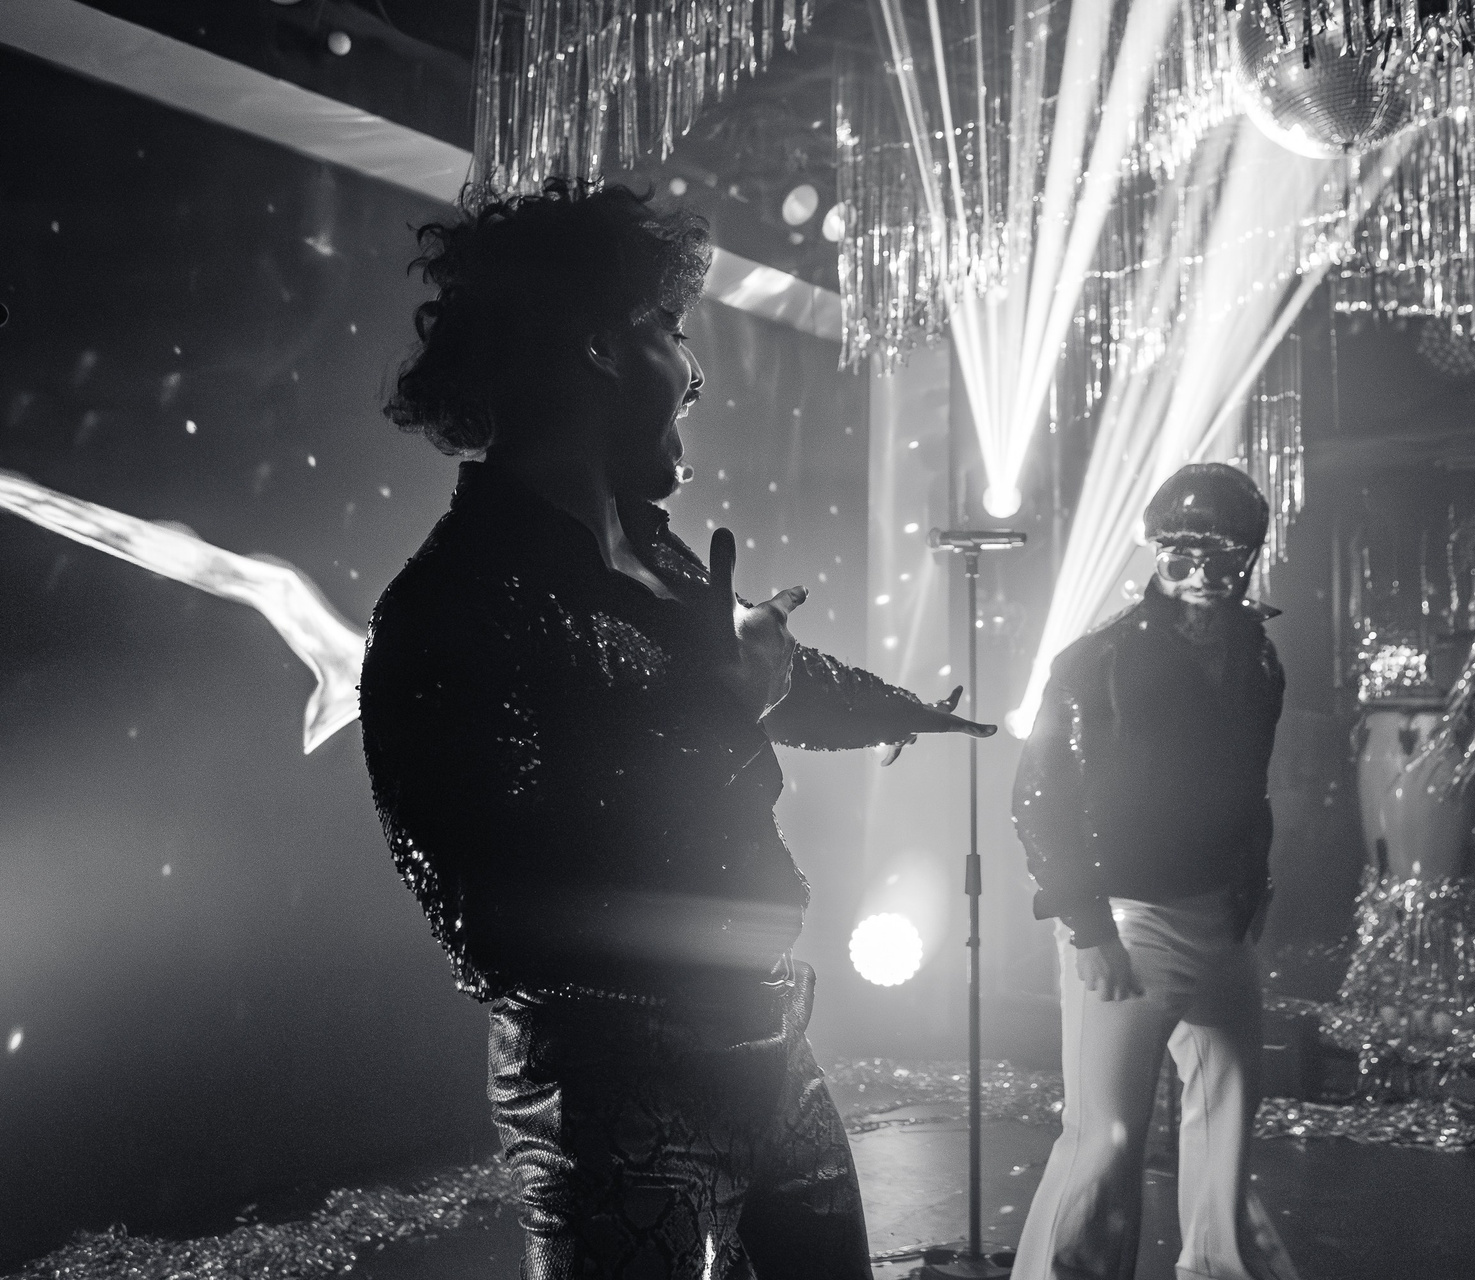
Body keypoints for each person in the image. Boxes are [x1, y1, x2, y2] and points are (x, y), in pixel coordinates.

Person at [359, 179, 992, 1280]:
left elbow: (769, 677)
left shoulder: (654, 555)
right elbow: (496, 918)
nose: (693, 371)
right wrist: (718, 718)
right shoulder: (451, 606)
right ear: (599, 347)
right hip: (612, 1093)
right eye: (669, 328)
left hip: (768, 1045)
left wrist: (902, 712)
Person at [1009, 463, 1298, 1280]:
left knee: (1227, 1131)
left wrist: (1253, 884)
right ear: (1156, 552)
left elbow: (1248, 784)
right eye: (1182, 555)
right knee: (1104, 1141)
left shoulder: (1259, 657)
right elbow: (1040, 800)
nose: (1202, 574)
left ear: (1248, 558)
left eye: (1223, 558)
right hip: (1129, 916)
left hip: (1221, 917)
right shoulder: (1095, 661)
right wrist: (1088, 927)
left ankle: (1223, 1269)